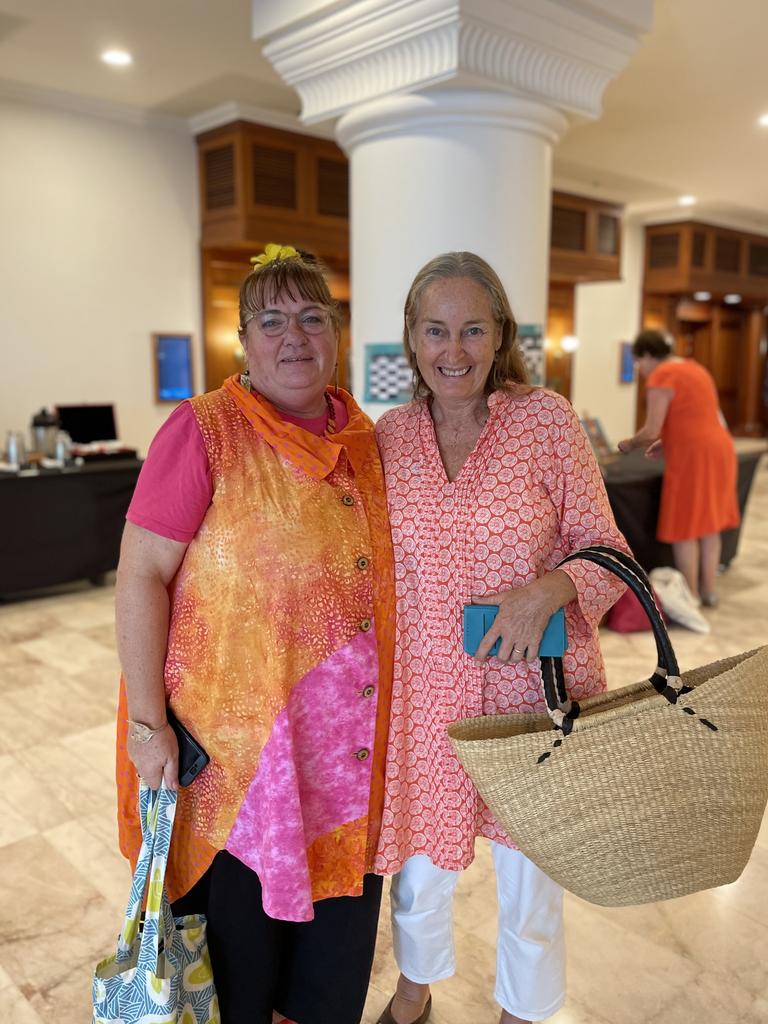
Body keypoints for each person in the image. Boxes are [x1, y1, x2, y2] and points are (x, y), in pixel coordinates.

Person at [114, 243, 395, 1024]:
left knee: (328, 988)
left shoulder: (367, 441)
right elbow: (140, 575)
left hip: (347, 770)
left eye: (312, 316)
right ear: (242, 338)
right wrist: (147, 726)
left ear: (336, 332)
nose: (294, 336)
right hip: (241, 780)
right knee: (240, 987)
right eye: (271, 320)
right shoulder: (205, 431)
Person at [372, 251, 630, 1024]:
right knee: (418, 867)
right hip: (426, 695)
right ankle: (413, 990)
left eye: (472, 329)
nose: (455, 350)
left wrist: (549, 589)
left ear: (500, 335)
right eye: (436, 330)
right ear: (412, 342)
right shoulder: (388, 435)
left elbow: (608, 548)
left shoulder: (545, 420)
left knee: (529, 872)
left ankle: (525, 1009)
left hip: (530, 690)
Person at [618, 329, 739, 606]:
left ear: (648, 355)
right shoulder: (694, 367)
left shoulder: (663, 376)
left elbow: (650, 431)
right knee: (709, 526)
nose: (640, 370)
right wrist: (668, 441)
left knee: (687, 526)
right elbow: (696, 417)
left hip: (694, 457)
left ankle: (692, 597)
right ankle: (710, 591)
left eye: (639, 362)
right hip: (719, 448)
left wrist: (627, 444)